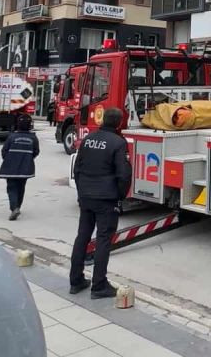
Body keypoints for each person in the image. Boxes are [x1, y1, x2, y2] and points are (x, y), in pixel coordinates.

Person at [69, 107, 132, 299]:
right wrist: (119, 196)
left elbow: (77, 168)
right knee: (104, 240)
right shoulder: (118, 143)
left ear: (103, 120)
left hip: (86, 195)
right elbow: (123, 174)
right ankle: (99, 285)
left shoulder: (89, 139)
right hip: (106, 198)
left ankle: (76, 280)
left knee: (82, 237)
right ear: (120, 123)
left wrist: (81, 192)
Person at [0, 115, 40, 221]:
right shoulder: (33, 138)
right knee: (21, 188)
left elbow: (4, 151)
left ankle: (14, 207)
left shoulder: (12, 137)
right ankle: (18, 206)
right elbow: (36, 151)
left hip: (11, 167)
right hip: (25, 168)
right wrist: (28, 159)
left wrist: (8, 160)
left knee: (11, 187)